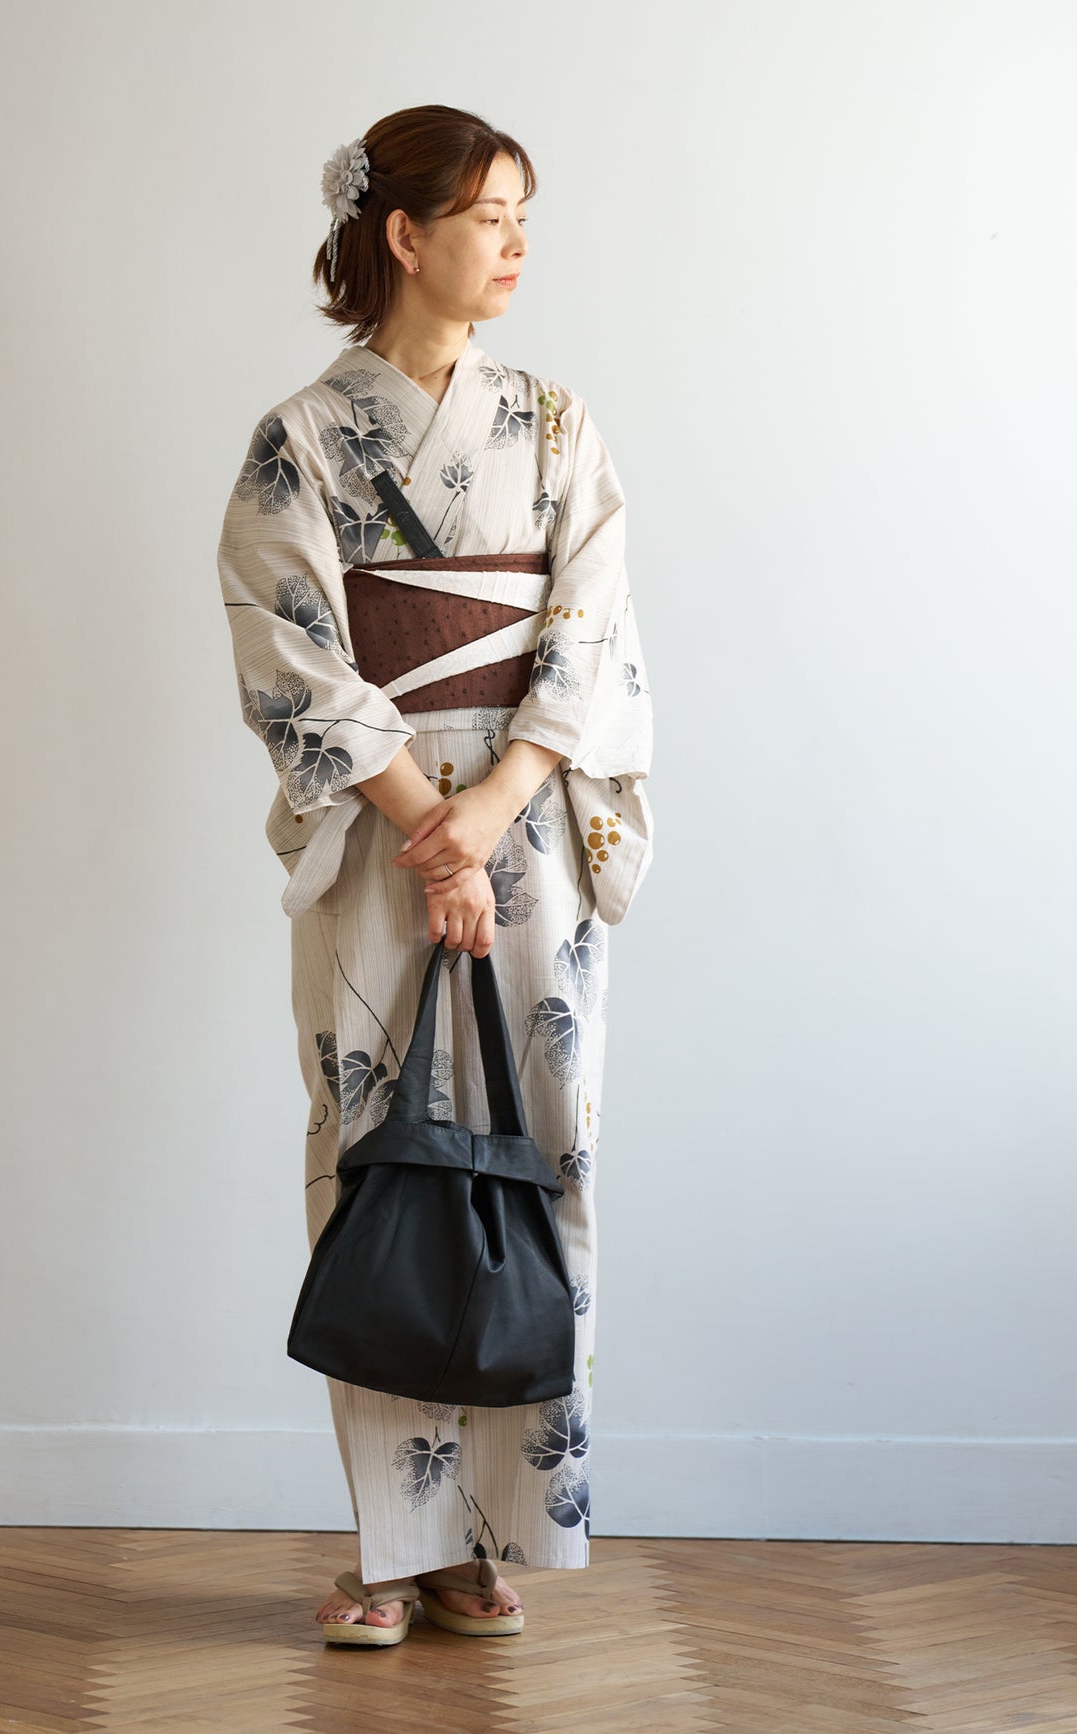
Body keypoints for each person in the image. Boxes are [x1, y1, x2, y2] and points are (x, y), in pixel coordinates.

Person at [216, 104, 654, 1646]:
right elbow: (289, 645)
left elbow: (590, 627)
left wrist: (496, 807)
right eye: (489, 217)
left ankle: (493, 1540)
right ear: (404, 235)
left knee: (540, 1147)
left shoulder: (557, 424)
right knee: (378, 1157)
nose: (517, 245)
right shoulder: (300, 437)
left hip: (529, 828)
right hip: (381, 827)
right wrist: (426, 819)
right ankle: (392, 1545)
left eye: (525, 216)